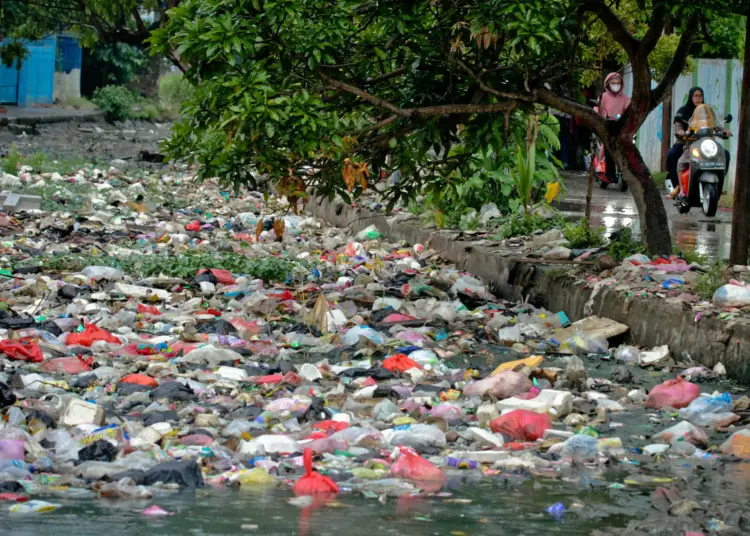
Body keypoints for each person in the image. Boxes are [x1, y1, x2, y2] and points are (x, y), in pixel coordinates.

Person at [666, 87, 731, 198]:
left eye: (700, 95)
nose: (698, 98)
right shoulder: (683, 111)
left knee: (725, 154)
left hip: (705, 142)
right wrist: (683, 133)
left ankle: (718, 185)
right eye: (695, 95)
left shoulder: (708, 111)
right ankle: (677, 185)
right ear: (691, 97)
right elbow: (678, 128)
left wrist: (725, 131)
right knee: (673, 154)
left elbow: (717, 125)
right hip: (687, 142)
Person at [598, 73, 630, 182]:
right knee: (604, 145)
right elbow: (596, 109)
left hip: (619, 129)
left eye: (618, 83)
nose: (616, 85)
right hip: (605, 127)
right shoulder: (603, 97)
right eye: (613, 83)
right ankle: (599, 164)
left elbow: (630, 111)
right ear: (608, 84)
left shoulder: (625, 98)